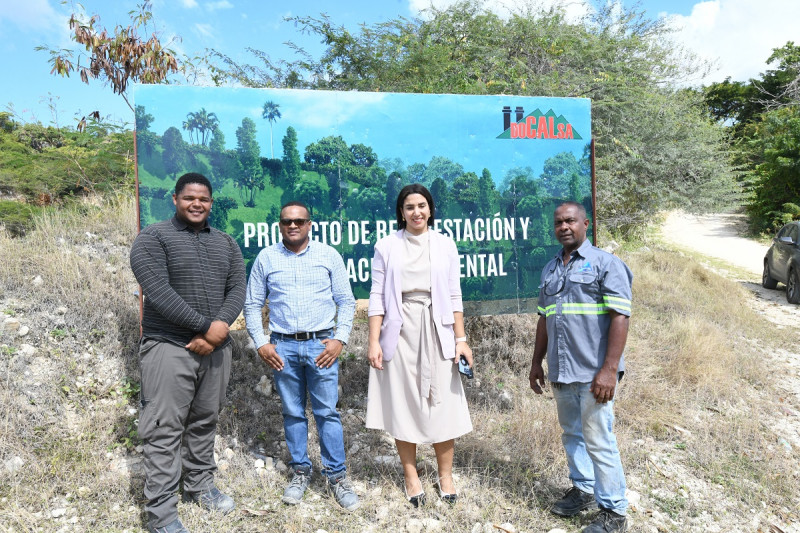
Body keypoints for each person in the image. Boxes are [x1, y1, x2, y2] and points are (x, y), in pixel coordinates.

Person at [130, 172, 246, 533]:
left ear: (211, 203)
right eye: (189, 198)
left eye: (204, 199)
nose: (197, 204)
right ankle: (162, 516)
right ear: (175, 199)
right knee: (163, 429)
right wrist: (203, 326)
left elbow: (237, 288)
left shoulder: (226, 243)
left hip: (215, 350)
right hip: (168, 347)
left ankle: (200, 486)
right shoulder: (152, 239)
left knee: (204, 422)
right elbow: (158, 292)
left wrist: (216, 332)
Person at [243, 201, 359, 511]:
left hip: (322, 346)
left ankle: (336, 477)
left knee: (327, 413)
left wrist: (340, 339)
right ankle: (301, 471)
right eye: (286, 221)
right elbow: (252, 304)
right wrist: (261, 342)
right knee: (293, 412)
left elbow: (346, 302)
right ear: (279, 225)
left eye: (299, 221)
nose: (293, 226)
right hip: (283, 348)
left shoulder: (328, 256)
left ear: (310, 224)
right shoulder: (266, 258)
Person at [366, 183, 473, 508]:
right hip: (399, 333)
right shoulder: (386, 246)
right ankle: (411, 477)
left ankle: (445, 476)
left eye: (422, 206)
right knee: (403, 404)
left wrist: (461, 339)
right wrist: (374, 340)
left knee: (443, 405)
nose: (417, 212)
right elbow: (376, 296)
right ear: (401, 212)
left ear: (430, 210)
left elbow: (455, 295)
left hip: (438, 329)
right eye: (410, 207)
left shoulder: (444, 245)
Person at [528, 201, 632, 533]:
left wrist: (609, 370)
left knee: (599, 438)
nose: (564, 227)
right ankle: (583, 489)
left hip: (594, 372)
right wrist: (536, 363)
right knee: (572, 434)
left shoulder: (606, 264)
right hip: (561, 370)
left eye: (570, 220)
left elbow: (620, 317)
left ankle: (614, 511)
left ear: (585, 223)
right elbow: (544, 319)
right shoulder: (549, 269)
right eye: (558, 222)